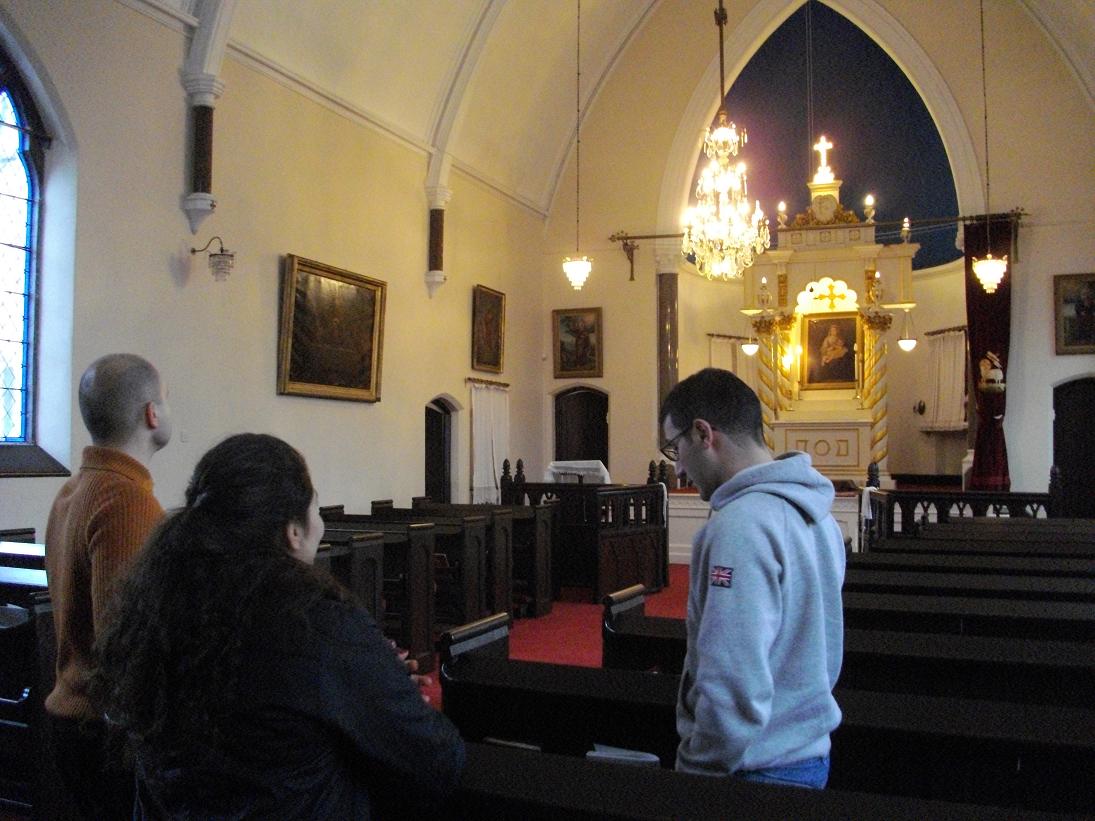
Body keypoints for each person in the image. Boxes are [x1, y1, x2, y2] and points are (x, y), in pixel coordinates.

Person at [92, 433, 465, 818]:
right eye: (316, 510)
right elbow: (436, 760)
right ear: (293, 531)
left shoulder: (159, 609)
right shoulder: (316, 622)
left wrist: (375, 682)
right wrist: (384, 696)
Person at [658, 368, 844, 789]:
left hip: (754, 766)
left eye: (675, 448)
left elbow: (732, 678)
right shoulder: (819, 515)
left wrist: (697, 765)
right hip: (806, 752)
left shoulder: (740, 526)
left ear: (704, 434)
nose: (679, 468)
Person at [44, 353, 172, 818]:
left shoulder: (73, 490)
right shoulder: (125, 501)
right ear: (151, 413)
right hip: (106, 735)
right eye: (166, 400)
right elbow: (127, 645)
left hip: (72, 716)